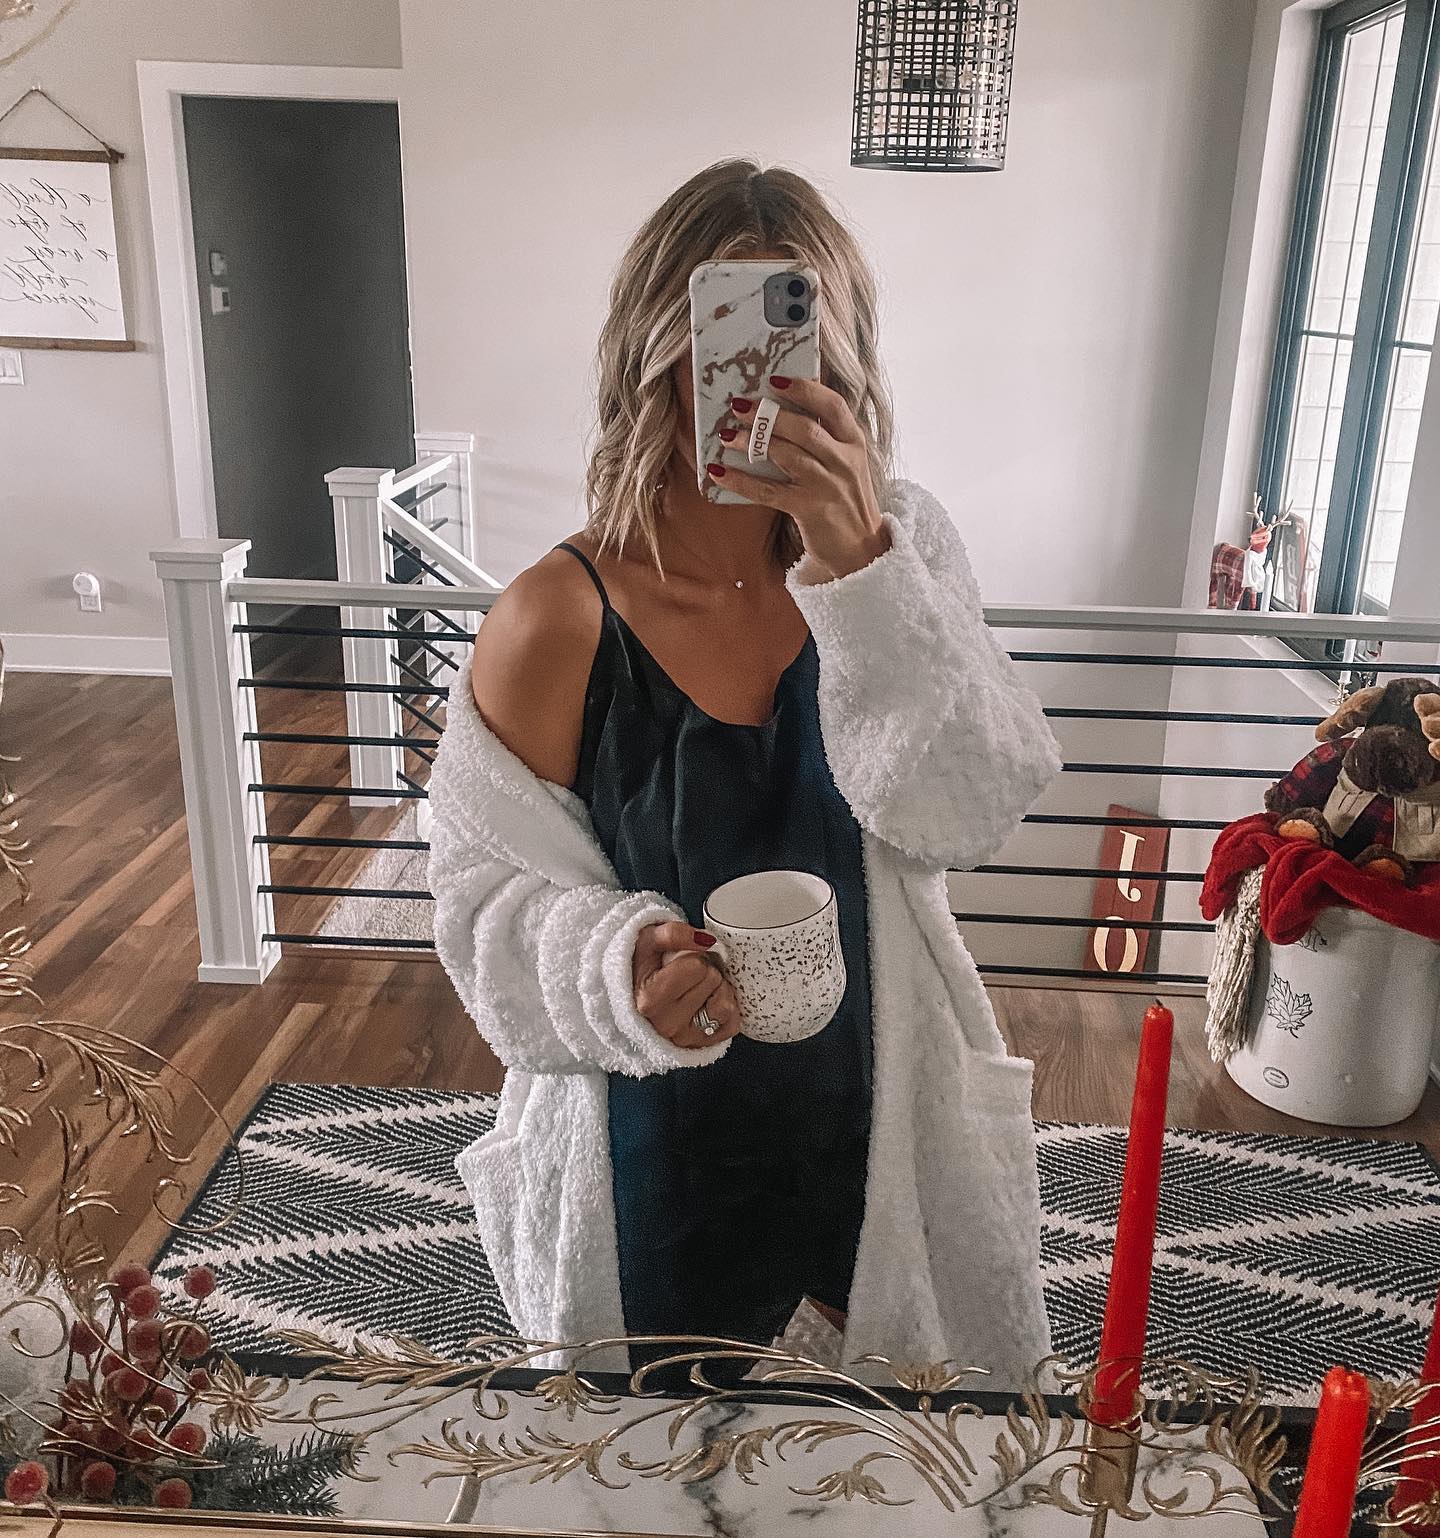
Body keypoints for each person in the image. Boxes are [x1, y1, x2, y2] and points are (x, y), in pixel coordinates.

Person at [427, 159, 1062, 1384]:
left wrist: (863, 569)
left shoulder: (902, 544)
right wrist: (619, 968)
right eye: (721, 341)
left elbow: (967, 811)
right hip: (649, 1148)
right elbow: (481, 909)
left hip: (883, 1122)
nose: (757, 386)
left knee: (888, 1470)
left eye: (796, 344)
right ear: (651, 355)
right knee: (649, 1466)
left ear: (847, 360)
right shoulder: (553, 620)